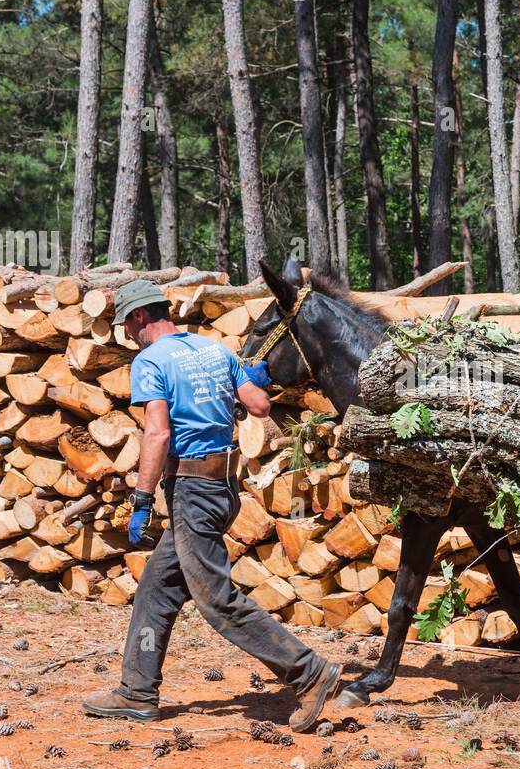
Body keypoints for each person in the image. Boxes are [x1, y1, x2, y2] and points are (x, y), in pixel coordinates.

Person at [82, 279, 342, 732]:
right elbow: (260, 406)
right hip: (224, 488)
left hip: (192, 491)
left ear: (140, 316)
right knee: (157, 589)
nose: (124, 334)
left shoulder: (150, 361)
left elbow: (158, 434)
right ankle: (136, 691)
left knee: (215, 599)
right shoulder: (215, 350)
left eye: (124, 323)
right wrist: (246, 380)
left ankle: (309, 671)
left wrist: (142, 499)